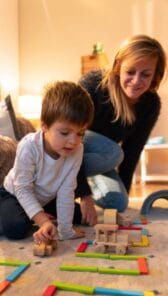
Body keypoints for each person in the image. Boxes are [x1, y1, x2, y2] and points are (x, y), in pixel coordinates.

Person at [75, 34, 167, 225]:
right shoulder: (92, 84)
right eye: (130, 72)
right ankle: (69, 184)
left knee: (117, 202)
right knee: (113, 152)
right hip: (69, 152)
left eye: (146, 74)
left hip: (99, 160)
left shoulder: (150, 104)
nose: (136, 80)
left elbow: (132, 152)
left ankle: (84, 182)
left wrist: (123, 192)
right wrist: (84, 195)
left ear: (155, 75)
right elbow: (72, 137)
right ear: (118, 68)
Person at [0, 81, 94, 243]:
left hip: (46, 198)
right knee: (15, 227)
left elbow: (66, 191)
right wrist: (43, 221)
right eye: (65, 133)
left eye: (80, 133)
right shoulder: (29, 146)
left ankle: (37, 214)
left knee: (80, 216)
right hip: (13, 194)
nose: (73, 141)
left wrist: (65, 230)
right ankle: (31, 215)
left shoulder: (77, 150)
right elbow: (22, 188)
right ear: (44, 125)